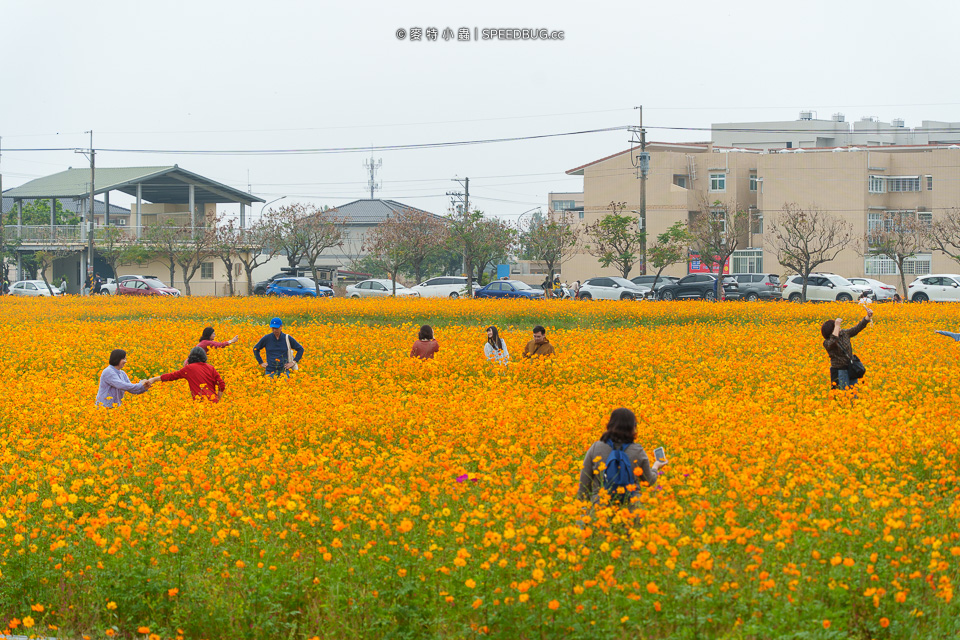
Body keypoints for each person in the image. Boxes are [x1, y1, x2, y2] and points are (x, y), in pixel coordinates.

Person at [578, 408, 666, 504]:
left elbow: (584, 482)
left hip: (601, 507)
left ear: (610, 425)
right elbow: (649, 481)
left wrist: (583, 508)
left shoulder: (596, 447)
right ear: (633, 427)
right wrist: (656, 467)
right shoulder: (637, 450)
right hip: (631, 508)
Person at [821, 307, 873, 391]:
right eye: (836, 326)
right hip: (839, 371)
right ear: (832, 329)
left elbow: (857, 328)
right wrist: (837, 326)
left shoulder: (844, 334)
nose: (839, 327)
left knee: (853, 394)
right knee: (843, 395)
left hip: (851, 369)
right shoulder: (827, 342)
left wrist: (867, 317)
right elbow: (833, 340)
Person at [148, 347, 226, 402]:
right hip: (214, 403)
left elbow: (172, 376)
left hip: (200, 403)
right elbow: (221, 384)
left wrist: (154, 379)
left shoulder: (189, 369)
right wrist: (217, 399)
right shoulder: (211, 368)